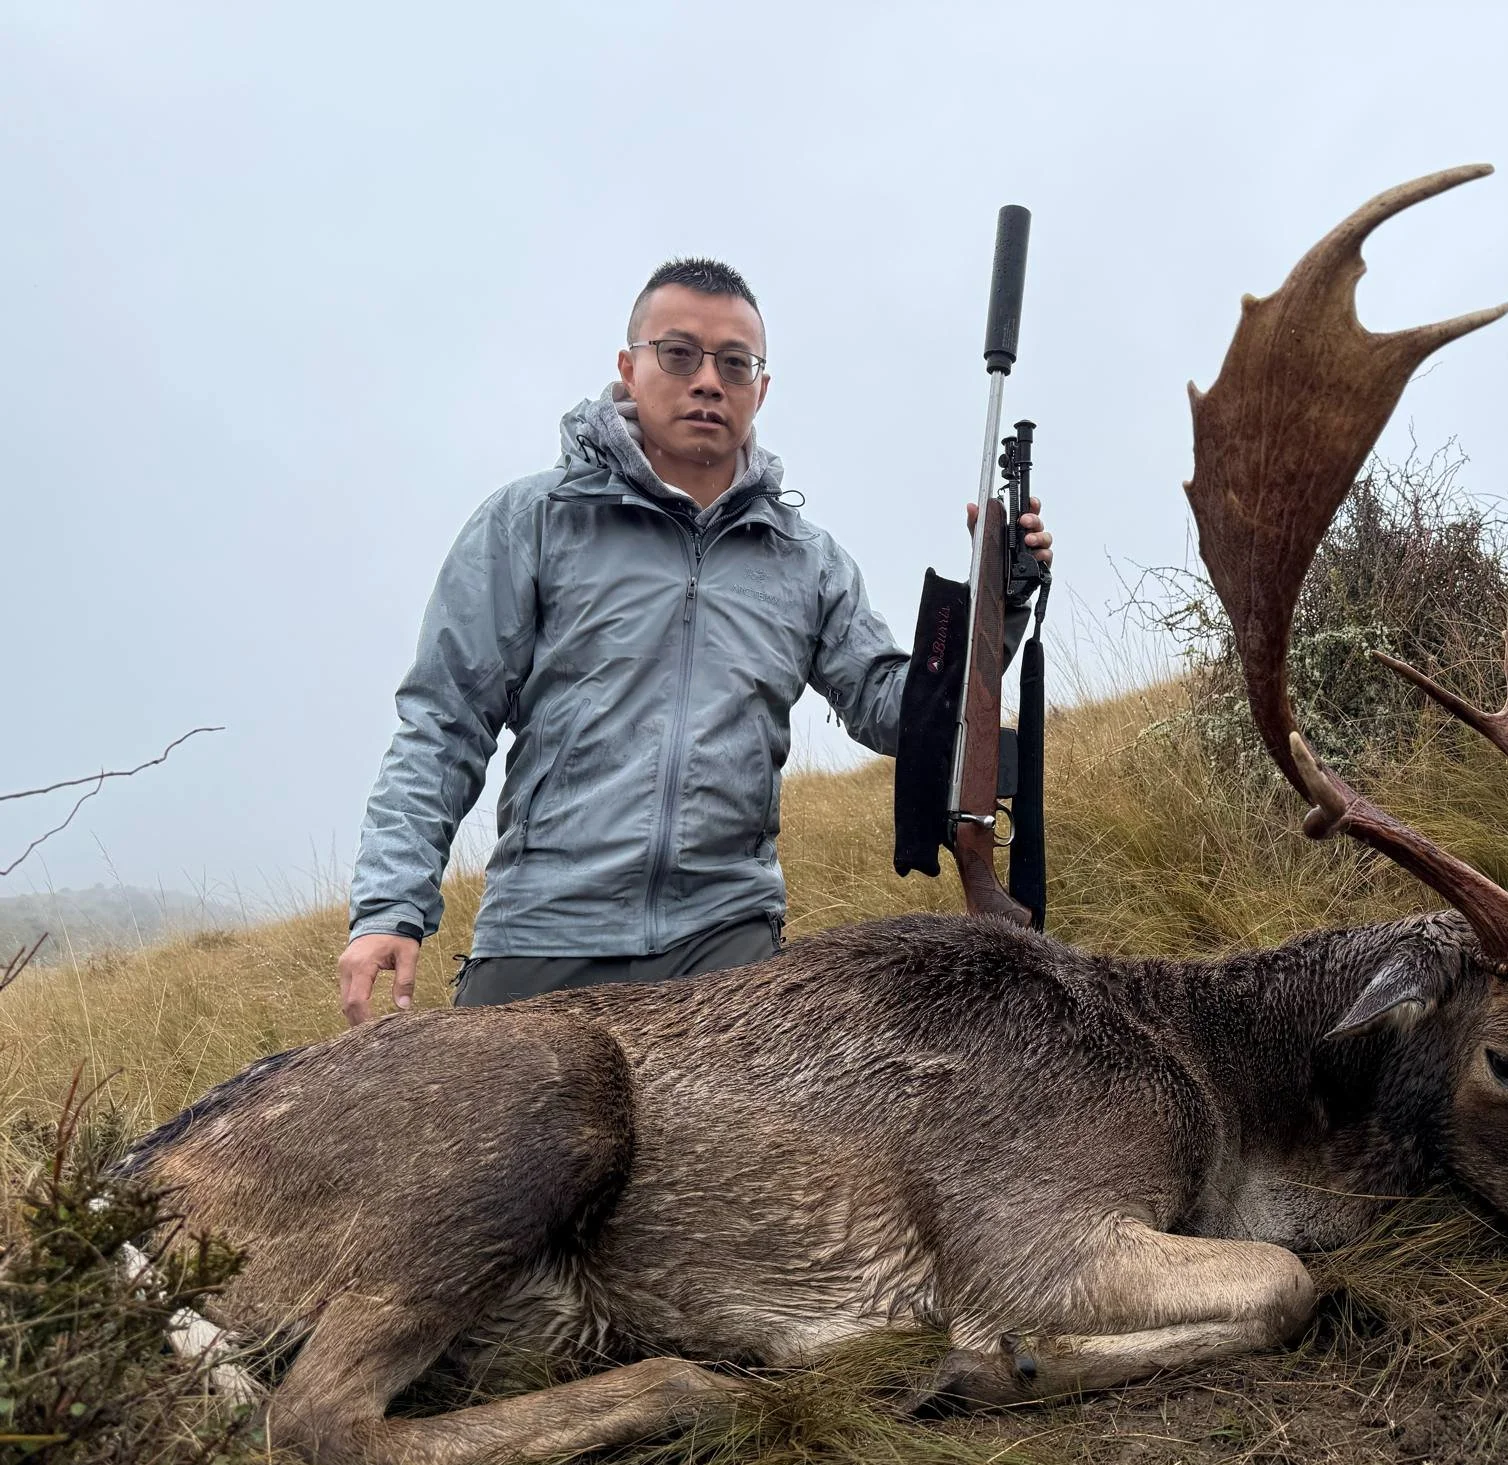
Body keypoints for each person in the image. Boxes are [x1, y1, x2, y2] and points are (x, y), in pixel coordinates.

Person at [337, 258, 1051, 1023]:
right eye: (679, 354)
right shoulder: (532, 521)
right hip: (539, 938)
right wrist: (389, 908)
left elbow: (893, 711)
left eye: (735, 363)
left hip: (726, 951)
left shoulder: (804, 558)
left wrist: (993, 607)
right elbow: (444, 723)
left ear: (761, 388)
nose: (708, 380)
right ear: (628, 366)